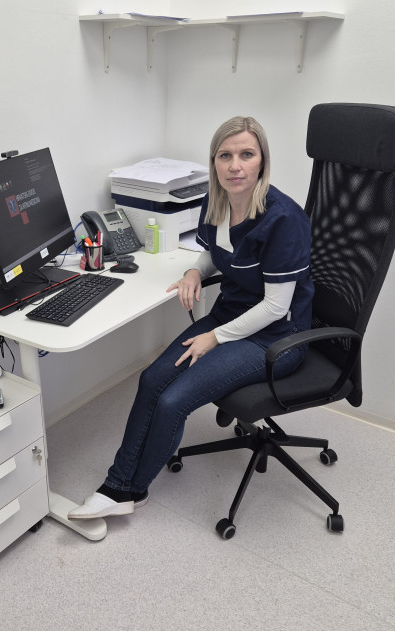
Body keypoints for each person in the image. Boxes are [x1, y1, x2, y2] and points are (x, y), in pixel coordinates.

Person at [68, 116, 314, 520]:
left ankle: (130, 489)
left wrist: (214, 338)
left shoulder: (284, 219)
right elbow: (214, 251)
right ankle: (119, 485)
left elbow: (274, 307)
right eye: (225, 156)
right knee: (152, 379)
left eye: (246, 155)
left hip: (276, 338)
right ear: (214, 162)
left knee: (173, 400)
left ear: (262, 161)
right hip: (231, 316)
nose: (235, 166)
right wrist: (194, 272)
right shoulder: (217, 203)